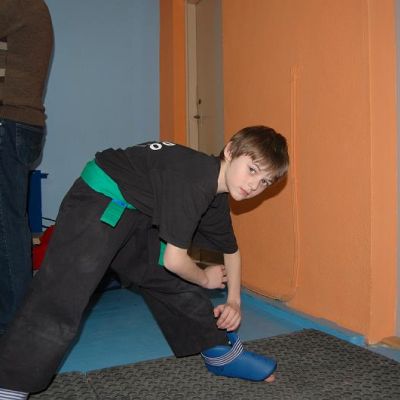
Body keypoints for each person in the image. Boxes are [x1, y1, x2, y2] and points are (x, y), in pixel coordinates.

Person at [0, 125, 289, 399]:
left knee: (166, 278)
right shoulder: (196, 180)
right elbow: (176, 259)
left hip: (136, 212)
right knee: (63, 293)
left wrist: (234, 300)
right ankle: (10, 382)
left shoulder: (216, 196)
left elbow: (231, 251)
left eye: (265, 181)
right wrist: (205, 278)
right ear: (230, 151)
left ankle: (217, 351)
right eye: (252, 170)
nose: (254, 185)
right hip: (99, 198)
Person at [0, 0, 53, 338]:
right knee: (8, 222)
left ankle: (14, 331)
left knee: (6, 225)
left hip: (8, 121)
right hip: (19, 123)